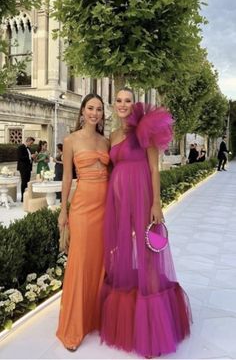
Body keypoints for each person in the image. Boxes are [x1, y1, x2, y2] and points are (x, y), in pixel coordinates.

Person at [100, 88, 192, 358]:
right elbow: (112, 169)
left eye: (128, 100)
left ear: (134, 104)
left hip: (141, 198)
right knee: (122, 254)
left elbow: (153, 168)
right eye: (118, 100)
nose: (123, 104)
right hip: (118, 202)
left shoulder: (145, 128)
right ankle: (127, 318)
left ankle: (152, 329)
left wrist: (156, 203)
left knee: (148, 254)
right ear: (113, 104)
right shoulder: (113, 135)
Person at [56, 93, 109, 351]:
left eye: (99, 109)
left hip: (105, 207)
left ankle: (92, 318)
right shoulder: (71, 140)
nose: (94, 113)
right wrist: (63, 211)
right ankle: (74, 327)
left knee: (100, 263)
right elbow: (67, 178)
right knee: (80, 262)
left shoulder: (106, 141)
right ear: (82, 110)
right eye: (90, 108)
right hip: (82, 207)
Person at [17, 136, 36, 202]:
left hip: (28, 168)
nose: (31, 144)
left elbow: (29, 158)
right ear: (28, 141)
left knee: (27, 182)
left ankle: (26, 196)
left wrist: (32, 157)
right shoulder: (21, 147)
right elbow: (20, 157)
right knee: (24, 182)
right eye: (31, 143)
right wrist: (30, 156)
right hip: (23, 168)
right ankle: (23, 198)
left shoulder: (29, 148)